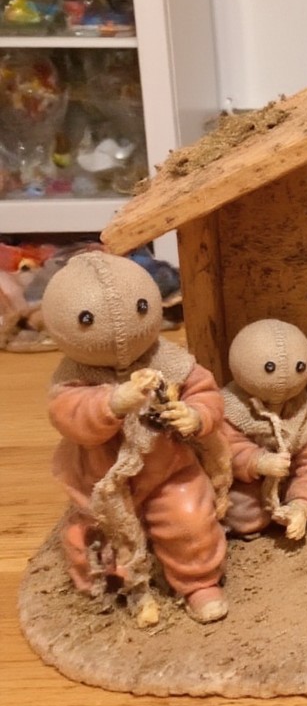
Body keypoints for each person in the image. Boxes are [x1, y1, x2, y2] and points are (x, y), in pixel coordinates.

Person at [41, 251, 228, 626]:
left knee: (190, 520)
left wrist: (195, 415)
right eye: (87, 320)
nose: (121, 333)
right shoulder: (72, 376)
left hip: (168, 469)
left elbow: (206, 393)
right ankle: (112, 587)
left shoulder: (170, 360)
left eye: (141, 307)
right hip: (101, 481)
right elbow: (70, 416)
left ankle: (199, 582)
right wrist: (110, 402)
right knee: (92, 539)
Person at [220, 319, 307, 541]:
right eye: (269, 368)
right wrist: (257, 461)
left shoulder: (303, 415)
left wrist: (302, 505)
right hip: (245, 482)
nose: (282, 379)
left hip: (286, 482)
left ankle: (292, 506)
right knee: (243, 512)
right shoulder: (230, 407)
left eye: (299, 368)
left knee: (304, 491)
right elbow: (224, 447)